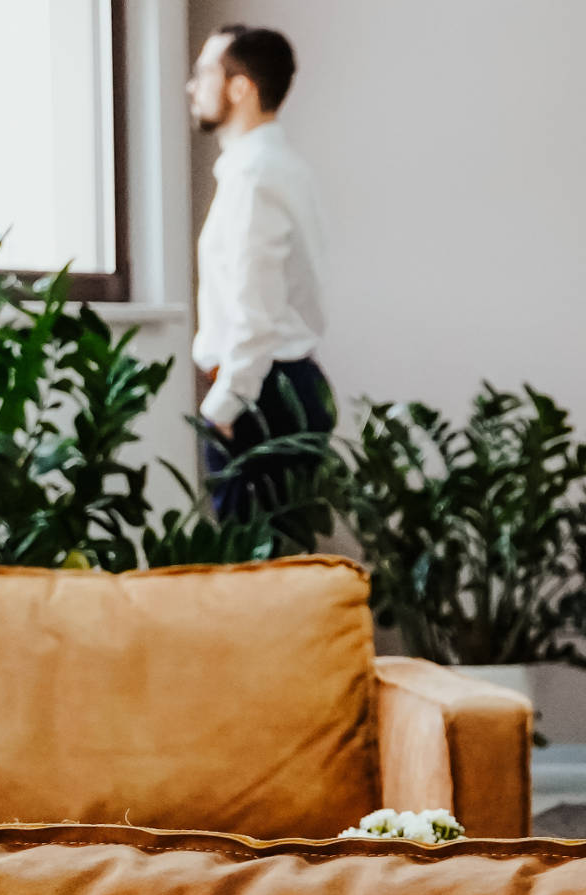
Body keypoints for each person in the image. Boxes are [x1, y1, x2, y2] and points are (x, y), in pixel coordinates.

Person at [187, 24, 330, 530]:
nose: (192, 86)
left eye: (204, 72)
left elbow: (257, 310)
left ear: (239, 87)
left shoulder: (254, 177)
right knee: (275, 575)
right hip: (278, 386)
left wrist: (226, 403)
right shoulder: (275, 167)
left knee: (251, 581)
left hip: (261, 393)